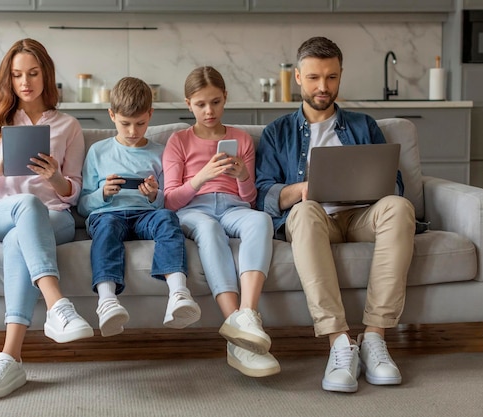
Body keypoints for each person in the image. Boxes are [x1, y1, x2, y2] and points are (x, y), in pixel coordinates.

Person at [255, 36, 416, 393]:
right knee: (303, 212)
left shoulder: (363, 125)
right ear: (298, 77)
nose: (323, 87)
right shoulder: (276, 132)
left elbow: (397, 183)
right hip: (315, 222)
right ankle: (340, 344)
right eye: (313, 77)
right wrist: (301, 190)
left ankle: (374, 337)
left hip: (361, 217)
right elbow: (262, 194)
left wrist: (376, 186)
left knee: (400, 207)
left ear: (340, 75)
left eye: (331, 77)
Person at [0, 38, 94, 399]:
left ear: (46, 75)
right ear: (9, 79)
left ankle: (10, 359)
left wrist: (54, 178)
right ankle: (57, 305)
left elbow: (74, 191)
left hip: (54, 217)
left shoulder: (68, 126)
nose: (25, 82)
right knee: (25, 205)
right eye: (17, 75)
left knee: (23, 231)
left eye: (32, 73)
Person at [163, 66, 280, 378]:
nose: (208, 110)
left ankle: (248, 315)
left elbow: (251, 198)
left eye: (215, 102)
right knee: (209, 228)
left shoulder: (241, 139)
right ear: (188, 104)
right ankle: (235, 330)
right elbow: (170, 200)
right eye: (200, 104)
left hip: (233, 207)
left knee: (260, 221)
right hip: (194, 210)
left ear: (225, 98)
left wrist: (242, 175)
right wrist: (202, 177)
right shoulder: (179, 141)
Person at [77, 77, 201, 338]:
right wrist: (103, 193)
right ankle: (107, 300)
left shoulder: (161, 152)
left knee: (167, 218)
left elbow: (168, 199)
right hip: (107, 215)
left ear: (150, 115)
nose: (133, 131)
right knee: (108, 228)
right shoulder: (98, 151)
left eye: (140, 123)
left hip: (147, 214)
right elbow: (83, 205)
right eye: (125, 124)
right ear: (111, 115)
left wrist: (153, 196)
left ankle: (178, 293)